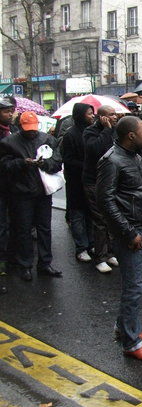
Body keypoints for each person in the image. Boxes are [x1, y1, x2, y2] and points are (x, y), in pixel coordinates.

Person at [96, 116, 142, 360]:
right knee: (133, 288)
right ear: (131, 136)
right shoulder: (111, 161)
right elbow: (105, 201)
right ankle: (130, 343)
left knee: (139, 283)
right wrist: (128, 231)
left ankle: (125, 327)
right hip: (131, 233)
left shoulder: (138, 157)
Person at [0, 112, 63, 281]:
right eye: (28, 129)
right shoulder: (8, 143)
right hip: (21, 193)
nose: (31, 132)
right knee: (23, 230)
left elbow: (57, 163)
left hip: (42, 192)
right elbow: (4, 166)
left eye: (33, 129)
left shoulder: (47, 139)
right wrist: (22, 163)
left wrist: (45, 163)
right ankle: (25, 264)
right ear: (20, 127)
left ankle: (45, 263)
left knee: (44, 228)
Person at [82, 105, 119, 273]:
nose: (115, 117)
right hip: (94, 182)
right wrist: (105, 130)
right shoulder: (90, 132)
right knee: (100, 220)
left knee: (111, 218)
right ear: (102, 117)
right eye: (111, 115)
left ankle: (111, 252)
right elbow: (95, 150)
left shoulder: (116, 130)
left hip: (111, 180)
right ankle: (100, 257)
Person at [61, 102, 95, 262]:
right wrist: (86, 165)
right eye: (89, 113)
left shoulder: (92, 132)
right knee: (78, 216)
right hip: (76, 182)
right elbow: (67, 159)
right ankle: (81, 247)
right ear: (81, 115)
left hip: (90, 181)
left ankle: (91, 243)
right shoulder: (70, 135)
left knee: (91, 214)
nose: (92, 116)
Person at [0, 99, 17, 294]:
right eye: (6, 112)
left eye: (10, 111)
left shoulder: (11, 130)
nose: (10, 114)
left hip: (12, 185)